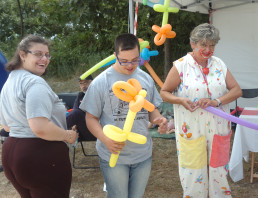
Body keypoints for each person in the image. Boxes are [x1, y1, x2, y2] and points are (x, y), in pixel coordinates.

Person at [79, 33, 168, 198]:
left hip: (142, 153)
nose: (130, 66)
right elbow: (90, 118)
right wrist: (105, 139)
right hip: (113, 154)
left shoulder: (145, 79)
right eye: (124, 61)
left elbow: (151, 110)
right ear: (115, 56)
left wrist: (158, 120)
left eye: (135, 60)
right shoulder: (101, 82)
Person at [160, 23, 242, 198]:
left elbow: (236, 90)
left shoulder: (219, 64)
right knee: (193, 173)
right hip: (191, 130)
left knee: (219, 172)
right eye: (203, 45)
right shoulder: (181, 66)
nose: (208, 49)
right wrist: (180, 100)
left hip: (219, 128)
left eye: (212, 45)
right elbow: (164, 93)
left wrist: (216, 101)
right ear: (193, 44)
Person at [0, 34, 78, 198]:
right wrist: (68, 135)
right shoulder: (34, 83)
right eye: (38, 54)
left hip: (10, 153)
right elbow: (40, 127)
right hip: (40, 155)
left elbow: (6, 126)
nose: (44, 58)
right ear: (22, 55)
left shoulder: (9, 82)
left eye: (47, 55)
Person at [66, 74, 96, 141]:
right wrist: (74, 126)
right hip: (83, 130)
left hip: (97, 131)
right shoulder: (80, 96)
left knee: (76, 113)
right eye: (81, 84)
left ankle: (56, 131)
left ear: (93, 82)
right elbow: (73, 112)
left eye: (85, 82)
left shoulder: (99, 95)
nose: (83, 86)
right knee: (74, 113)